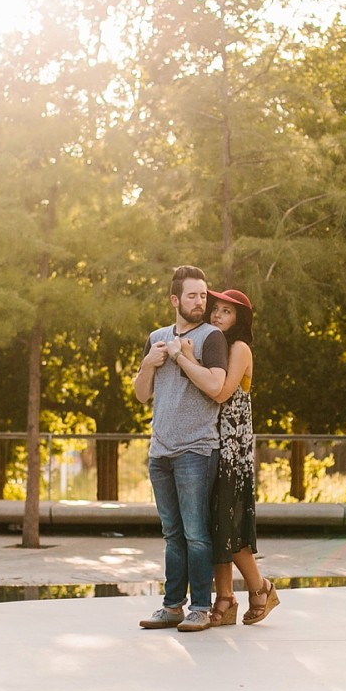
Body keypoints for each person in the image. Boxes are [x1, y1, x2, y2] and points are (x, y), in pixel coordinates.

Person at [132, 265, 228, 633]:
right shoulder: (156, 337)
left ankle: (200, 608)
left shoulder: (212, 337)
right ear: (175, 299)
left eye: (204, 295)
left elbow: (216, 386)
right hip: (161, 451)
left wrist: (182, 357)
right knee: (172, 534)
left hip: (196, 450)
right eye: (192, 295)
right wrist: (148, 363)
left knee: (196, 534)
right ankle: (172, 606)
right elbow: (142, 395)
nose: (200, 302)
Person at [175, 287, 278, 626]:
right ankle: (225, 599)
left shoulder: (239, 348)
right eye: (216, 309)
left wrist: (186, 358)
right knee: (214, 529)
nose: (217, 315)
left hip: (233, 452)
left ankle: (261, 587)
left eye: (227, 312)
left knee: (230, 530)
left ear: (240, 320)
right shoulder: (214, 346)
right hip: (210, 445)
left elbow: (220, 392)